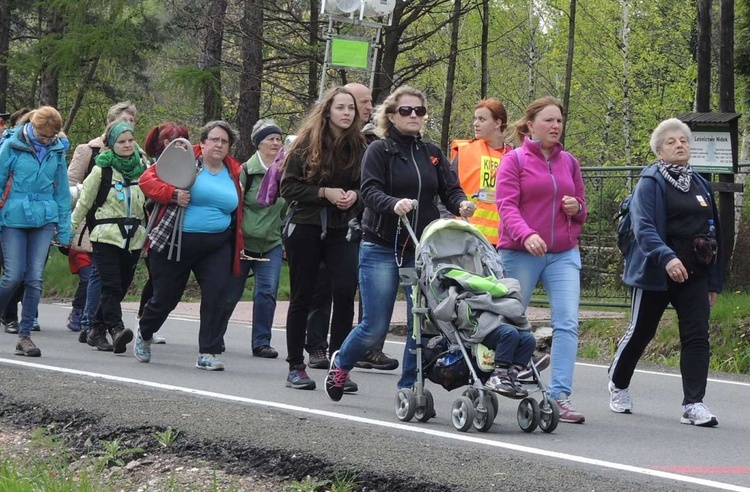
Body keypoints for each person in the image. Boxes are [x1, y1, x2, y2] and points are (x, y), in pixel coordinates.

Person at [324, 85, 475, 401]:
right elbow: (369, 191)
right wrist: (393, 203)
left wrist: (462, 204)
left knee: (418, 321)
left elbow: (450, 189)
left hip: (420, 251)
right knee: (375, 324)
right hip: (381, 247)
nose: (414, 116)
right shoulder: (379, 150)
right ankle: (342, 362)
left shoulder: (431, 153)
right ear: (391, 116)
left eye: (419, 110)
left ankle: (409, 385)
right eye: (406, 110)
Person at [607, 118, 722, 427]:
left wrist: (713, 280)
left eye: (683, 140)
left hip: (695, 274)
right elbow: (643, 228)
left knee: (697, 337)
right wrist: (666, 258)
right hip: (656, 273)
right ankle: (618, 384)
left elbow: (715, 232)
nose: (679, 145)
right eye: (671, 142)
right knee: (641, 333)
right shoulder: (650, 181)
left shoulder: (700, 184)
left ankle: (693, 404)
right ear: (659, 150)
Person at [495, 96, 587, 424]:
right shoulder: (515, 161)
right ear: (531, 125)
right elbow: (506, 205)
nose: (555, 126)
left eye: (559, 121)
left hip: (562, 253)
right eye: (548, 120)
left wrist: (576, 208)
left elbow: (581, 207)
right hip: (521, 252)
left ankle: (559, 395)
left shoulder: (570, 162)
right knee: (511, 319)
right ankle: (503, 373)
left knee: (567, 322)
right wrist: (527, 234)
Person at [305, 82, 399, 373]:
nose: (367, 107)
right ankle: (316, 347)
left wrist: (357, 196)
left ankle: (355, 350)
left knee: (351, 290)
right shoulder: (316, 140)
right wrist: (327, 193)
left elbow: (372, 185)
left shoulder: (369, 142)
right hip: (320, 226)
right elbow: (295, 184)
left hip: (360, 226)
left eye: (369, 102)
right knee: (321, 289)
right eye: (362, 102)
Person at [134, 120, 244, 371]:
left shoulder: (234, 171)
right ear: (203, 143)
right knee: (165, 298)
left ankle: (208, 352)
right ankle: (145, 331)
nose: (219, 144)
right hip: (176, 240)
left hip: (217, 244)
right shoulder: (183, 158)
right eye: (214, 139)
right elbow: (147, 181)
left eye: (224, 141)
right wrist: (172, 194)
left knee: (217, 295)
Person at [279, 86, 365, 390]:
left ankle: (339, 367)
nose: (346, 113)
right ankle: (295, 366)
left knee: (344, 293)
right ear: (327, 111)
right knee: (303, 295)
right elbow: (287, 188)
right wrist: (322, 193)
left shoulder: (359, 145)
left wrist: (354, 196)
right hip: (306, 226)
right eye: (340, 107)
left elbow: (367, 188)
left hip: (342, 228)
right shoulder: (305, 143)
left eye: (351, 108)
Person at [67, 102, 149, 344]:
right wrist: (68, 231)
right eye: (121, 141)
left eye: (129, 141)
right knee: (111, 284)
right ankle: (116, 328)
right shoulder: (101, 169)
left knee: (121, 286)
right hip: (104, 235)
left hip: (133, 236)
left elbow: (150, 198)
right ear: (112, 143)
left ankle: (96, 329)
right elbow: (83, 203)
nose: (126, 145)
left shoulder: (142, 168)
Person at [0, 106, 72, 357]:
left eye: (51, 137)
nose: (46, 140)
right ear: (33, 126)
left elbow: (62, 192)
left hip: (44, 218)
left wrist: (65, 230)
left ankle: (25, 335)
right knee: (13, 275)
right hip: (13, 218)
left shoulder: (57, 151)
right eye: (43, 136)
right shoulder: (11, 146)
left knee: (35, 278)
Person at [216, 118, 285, 359]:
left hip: (272, 244)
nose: (276, 143)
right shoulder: (245, 171)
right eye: (270, 139)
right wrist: (236, 241)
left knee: (267, 292)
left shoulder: (286, 172)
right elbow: (235, 207)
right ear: (258, 144)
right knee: (231, 293)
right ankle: (215, 336)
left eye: (279, 138)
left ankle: (261, 342)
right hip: (242, 244)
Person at [134, 122, 192, 344]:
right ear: (168, 143)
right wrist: (173, 194)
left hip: (177, 233)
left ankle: (145, 322)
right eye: (181, 141)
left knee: (158, 282)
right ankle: (143, 323)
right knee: (158, 281)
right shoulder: (159, 167)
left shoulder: (187, 165)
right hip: (157, 231)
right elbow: (147, 183)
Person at [450, 98, 512, 245]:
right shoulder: (465, 151)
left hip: (505, 240)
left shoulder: (515, 156)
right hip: (465, 236)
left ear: (497, 123)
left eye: (482, 119)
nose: (475, 124)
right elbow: (447, 191)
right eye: (475, 118)